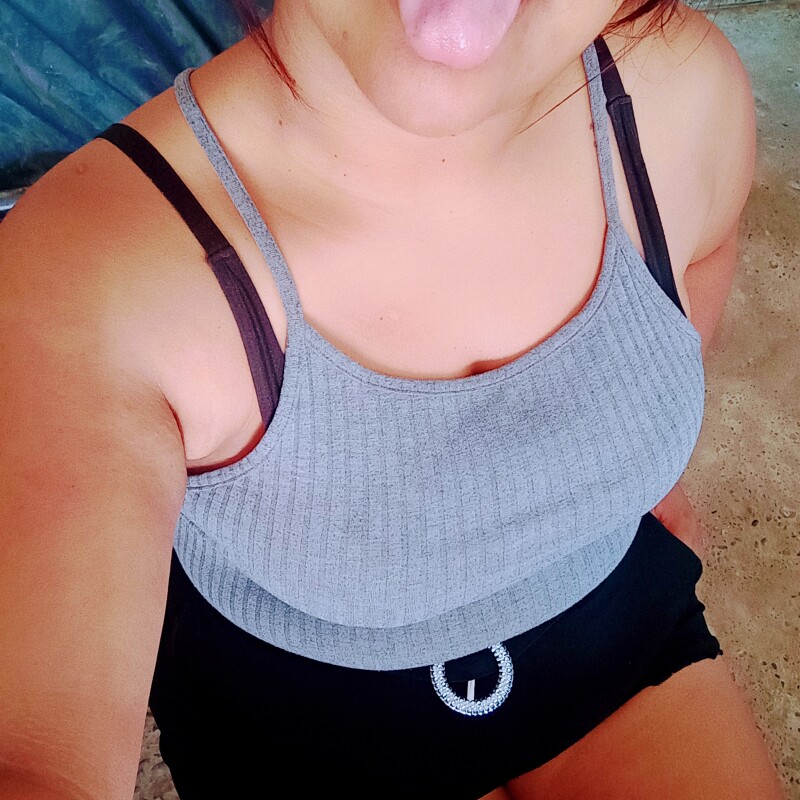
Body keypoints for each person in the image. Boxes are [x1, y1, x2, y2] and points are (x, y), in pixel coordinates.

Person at [0, 1, 785, 798]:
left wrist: (643, 464)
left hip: (612, 629)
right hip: (302, 727)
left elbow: (704, 252)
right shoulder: (93, 270)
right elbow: (36, 759)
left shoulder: (677, 93)